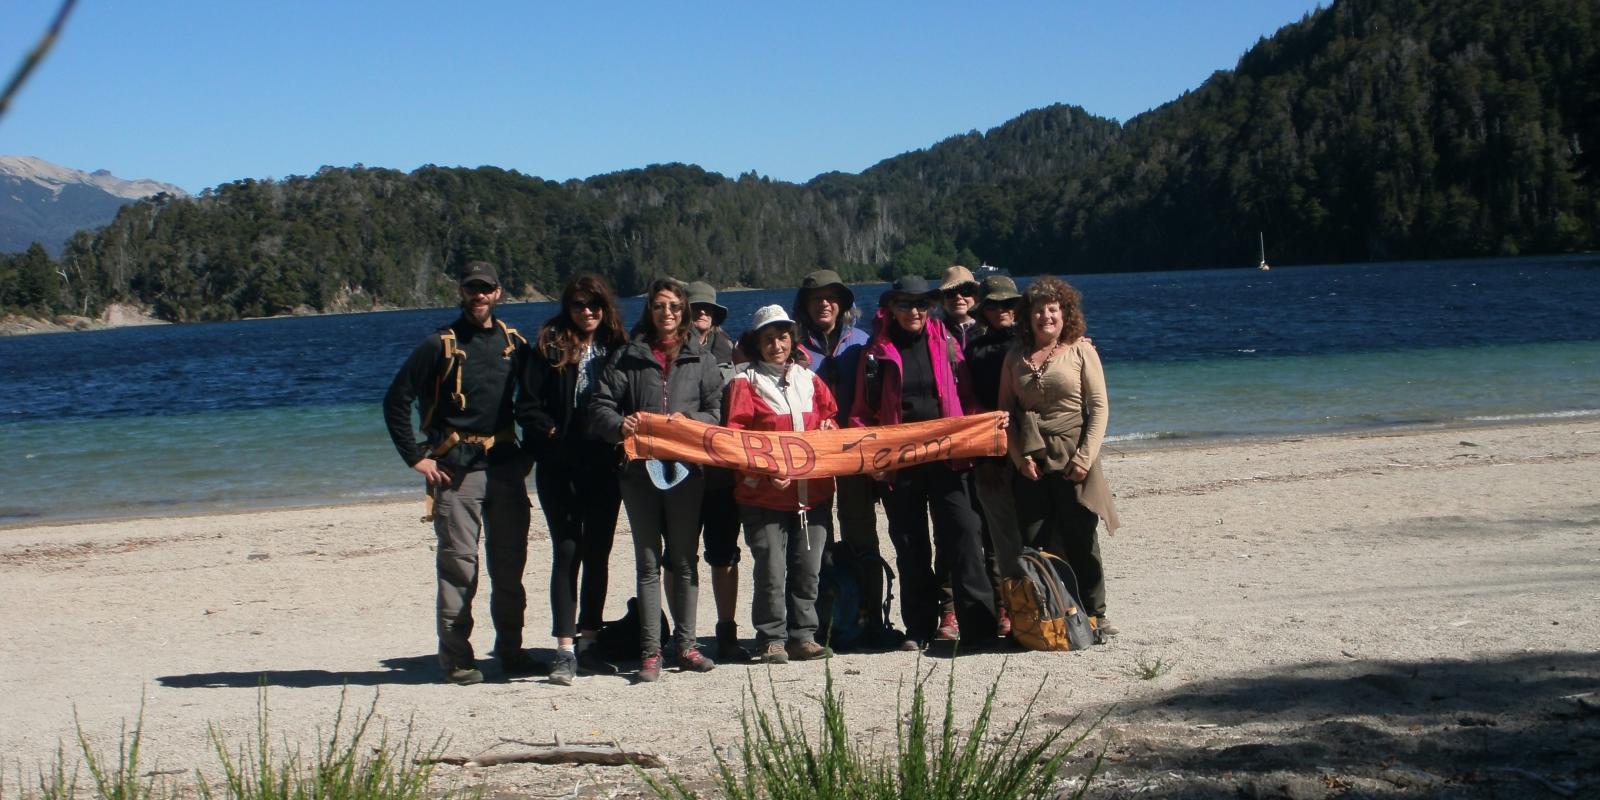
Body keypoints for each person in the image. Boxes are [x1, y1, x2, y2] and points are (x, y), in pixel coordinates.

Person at [382, 260, 535, 685]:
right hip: (455, 472)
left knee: (509, 567)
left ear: (499, 293)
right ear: (462, 292)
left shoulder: (515, 344)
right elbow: (396, 400)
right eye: (472, 288)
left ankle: (512, 651)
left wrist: (533, 453)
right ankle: (457, 659)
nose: (479, 296)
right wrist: (416, 457)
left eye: (486, 288)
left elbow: (537, 403)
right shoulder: (439, 345)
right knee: (459, 569)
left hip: (505, 468)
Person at [850, 275, 999, 650]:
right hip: (898, 465)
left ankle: (979, 627)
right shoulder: (875, 353)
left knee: (964, 537)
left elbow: (967, 398)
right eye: (905, 304)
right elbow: (860, 414)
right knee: (911, 546)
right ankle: (919, 629)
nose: (914, 311)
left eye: (921, 304)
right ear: (892, 308)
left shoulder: (947, 342)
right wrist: (871, 461)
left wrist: (984, 426)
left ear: (930, 307)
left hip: (950, 460)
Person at [589, 277, 725, 681]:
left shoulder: (701, 360)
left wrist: (690, 422)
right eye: (660, 306)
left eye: (675, 307)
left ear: (684, 313)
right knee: (648, 564)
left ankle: (686, 646)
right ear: (649, 310)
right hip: (638, 472)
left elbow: (716, 412)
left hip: (686, 471)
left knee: (683, 561)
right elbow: (600, 405)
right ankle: (651, 653)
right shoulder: (628, 357)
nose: (667, 313)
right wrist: (620, 423)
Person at [518, 272, 627, 685]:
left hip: (604, 464)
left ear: (605, 306)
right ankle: (564, 649)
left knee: (598, 552)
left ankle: (590, 642)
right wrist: (549, 432)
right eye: (580, 304)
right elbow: (526, 405)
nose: (587, 311)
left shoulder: (617, 347)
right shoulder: (549, 345)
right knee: (567, 552)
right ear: (568, 306)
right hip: (560, 465)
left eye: (594, 304)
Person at [999, 275, 1122, 637]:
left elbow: (1099, 408)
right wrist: (1020, 459)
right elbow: (1004, 414)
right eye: (1038, 311)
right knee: (1035, 539)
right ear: (1028, 316)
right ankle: (1051, 612)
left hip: (1074, 453)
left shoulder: (1082, 350)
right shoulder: (1014, 357)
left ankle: (1095, 613)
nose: (1045, 317)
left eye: (1053, 309)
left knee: (1081, 536)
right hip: (1031, 458)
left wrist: (1084, 457)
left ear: (1065, 313)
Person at [790, 269, 903, 647]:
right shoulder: (791, 347)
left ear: (842, 303)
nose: (824, 303)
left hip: (856, 454)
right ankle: (825, 622)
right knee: (815, 542)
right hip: (811, 458)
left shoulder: (863, 342)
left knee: (861, 533)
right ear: (804, 305)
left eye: (831, 296)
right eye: (815, 297)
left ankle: (870, 617)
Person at [724, 305, 839, 663]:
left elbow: (832, 420)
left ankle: (803, 635)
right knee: (771, 570)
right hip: (763, 497)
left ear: (793, 339)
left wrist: (828, 431)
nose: (777, 345)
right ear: (757, 343)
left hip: (812, 494)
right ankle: (771, 637)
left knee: (809, 568)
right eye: (769, 339)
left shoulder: (810, 379)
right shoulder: (745, 383)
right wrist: (768, 468)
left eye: (783, 337)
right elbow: (735, 438)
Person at [683, 281, 752, 663]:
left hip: (724, 475)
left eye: (707, 309)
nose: (701, 315)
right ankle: (685, 637)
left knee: (725, 555)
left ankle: (727, 633)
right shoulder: (666, 352)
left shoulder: (733, 349)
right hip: (680, 472)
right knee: (680, 556)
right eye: (694, 308)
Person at [962, 274, 1024, 638]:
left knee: (1032, 529)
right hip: (990, 451)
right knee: (999, 536)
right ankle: (1010, 608)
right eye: (995, 305)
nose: (1003, 310)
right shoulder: (974, 351)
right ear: (983, 310)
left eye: (1009, 304)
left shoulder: (1032, 345)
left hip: (1030, 448)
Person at [938, 265, 982, 349]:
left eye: (966, 291)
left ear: (976, 297)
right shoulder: (934, 331)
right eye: (950, 292)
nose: (958, 297)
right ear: (942, 300)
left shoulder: (988, 329)